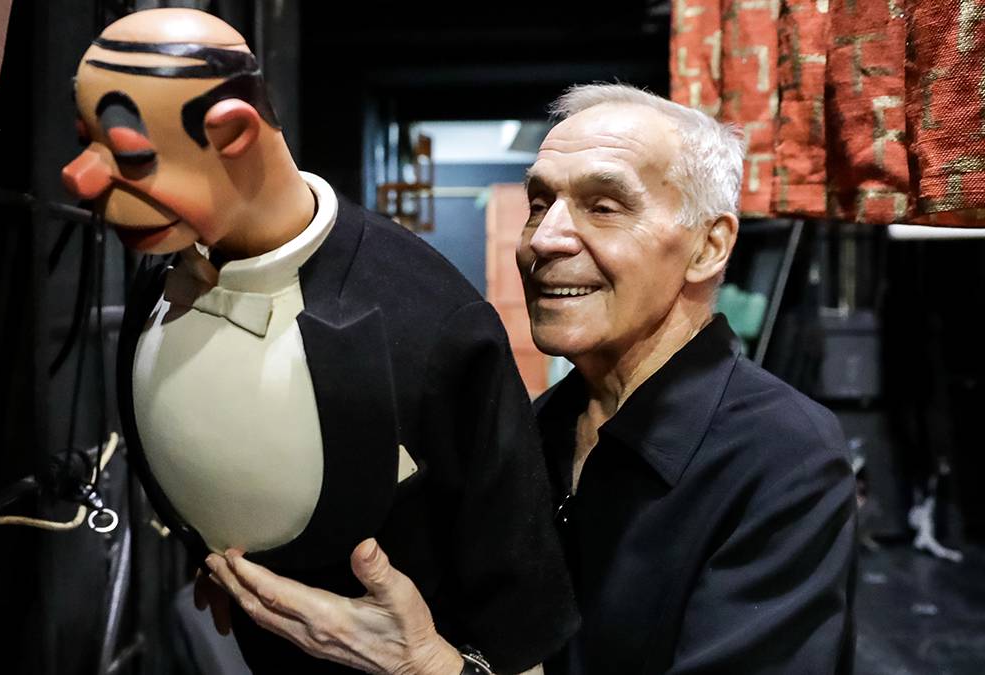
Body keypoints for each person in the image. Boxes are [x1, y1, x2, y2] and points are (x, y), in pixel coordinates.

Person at [207, 84, 858, 674]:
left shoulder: (783, 458)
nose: (545, 239)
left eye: (604, 207)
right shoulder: (533, 430)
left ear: (708, 246)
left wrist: (428, 669)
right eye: (539, 204)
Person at [62, 9, 579, 674]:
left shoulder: (435, 325)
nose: (80, 178)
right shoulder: (158, 277)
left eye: (131, 155)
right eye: (86, 143)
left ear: (234, 133)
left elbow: (519, 608)